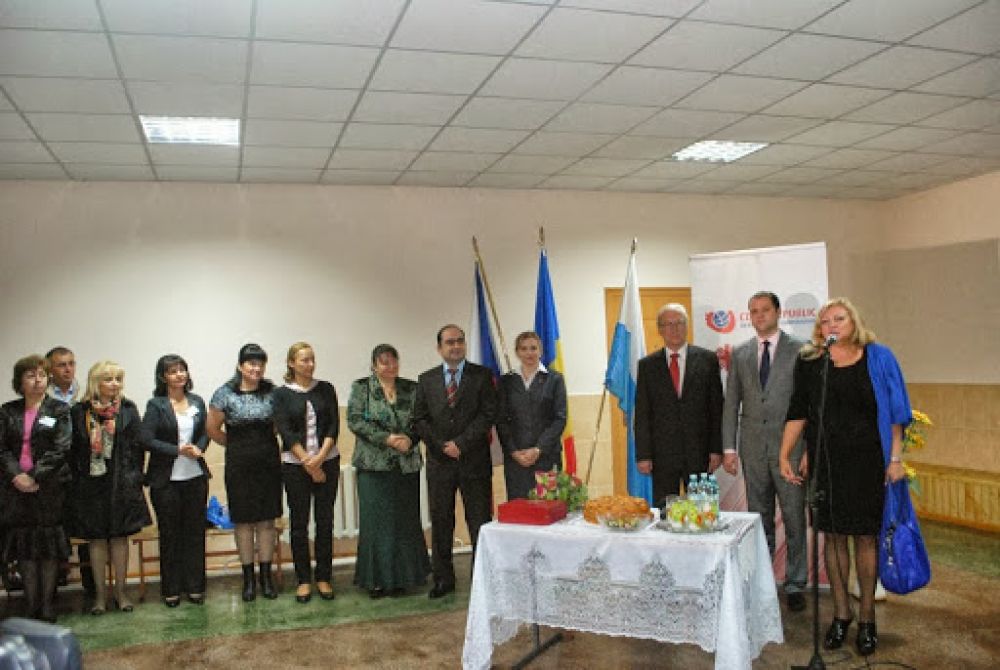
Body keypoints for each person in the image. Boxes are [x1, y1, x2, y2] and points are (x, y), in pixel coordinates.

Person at [779, 298, 911, 656]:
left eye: (839, 318)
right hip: (827, 464)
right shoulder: (812, 363)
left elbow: (897, 413)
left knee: (866, 539)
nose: (832, 325)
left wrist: (895, 459)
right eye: (825, 321)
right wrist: (785, 454)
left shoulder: (878, 357)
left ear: (854, 322)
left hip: (869, 462)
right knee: (834, 539)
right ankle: (841, 614)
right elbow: (799, 411)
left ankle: (867, 617)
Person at [721, 292, 808, 613]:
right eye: (754, 311)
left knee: (794, 516)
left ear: (778, 312)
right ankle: (762, 581)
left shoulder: (801, 350)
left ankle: (796, 583)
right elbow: (732, 403)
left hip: (791, 449)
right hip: (752, 448)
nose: (759, 316)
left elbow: (808, 404)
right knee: (759, 517)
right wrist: (729, 448)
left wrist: (808, 449)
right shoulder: (741, 354)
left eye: (765, 310)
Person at [413, 324, 496, 599]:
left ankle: (481, 579)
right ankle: (443, 579)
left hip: (474, 461)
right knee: (441, 522)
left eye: (460, 341)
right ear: (439, 348)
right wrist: (441, 446)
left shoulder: (482, 376)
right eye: (450, 342)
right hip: (440, 463)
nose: (456, 346)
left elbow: (488, 415)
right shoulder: (426, 380)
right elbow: (419, 419)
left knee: (479, 521)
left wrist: (461, 443)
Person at [69, 360, 152, 614]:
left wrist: (135, 477)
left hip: (122, 484)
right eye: (108, 379)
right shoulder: (79, 411)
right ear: (96, 382)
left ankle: (121, 593)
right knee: (96, 540)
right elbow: (73, 450)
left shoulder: (127, 409)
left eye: (118, 379)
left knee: (119, 537)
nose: (114, 384)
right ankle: (100, 596)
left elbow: (138, 446)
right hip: (91, 485)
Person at [348, 344, 430, 598]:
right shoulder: (362, 388)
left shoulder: (411, 388)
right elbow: (355, 420)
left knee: (404, 523)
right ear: (374, 365)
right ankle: (376, 580)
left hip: (406, 466)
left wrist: (410, 439)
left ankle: (403, 579)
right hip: (373, 468)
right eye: (384, 362)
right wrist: (388, 438)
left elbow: (422, 420)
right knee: (376, 525)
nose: (390, 366)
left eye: (394, 361)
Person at [206, 343, 282, 602]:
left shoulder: (273, 392)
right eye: (251, 363)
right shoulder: (224, 393)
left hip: (268, 464)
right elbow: (212, 429)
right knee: (244, 522)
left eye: (260, 363)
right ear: (240, 365)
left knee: (266, 522)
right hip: (239, 465)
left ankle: (266, 578)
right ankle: (248, 579)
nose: (256, 368)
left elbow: (278, 426)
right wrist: (238, 445)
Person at [0, 355, 72, 622]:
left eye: (42, 375)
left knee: (48, 547)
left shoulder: (59, 410)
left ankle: (48, 605)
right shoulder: (7, 411)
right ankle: (31, 605)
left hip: (48, 487)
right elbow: (2, 449)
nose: (37, 380)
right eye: (31, 376)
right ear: (20, 382)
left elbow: (61, 448)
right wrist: (17, 476)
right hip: (15, 489)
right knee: (25, 547)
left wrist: (33, 476)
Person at [635, 303, 724, 504]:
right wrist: (643, 455)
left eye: (679, 323)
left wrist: (716, 449)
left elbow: (716, 409)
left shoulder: (708, 360)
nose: (674, 328)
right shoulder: (647, 366)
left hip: (700, 453)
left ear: (687, 326)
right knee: (665, 511)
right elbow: (642, 414)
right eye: (668, 324)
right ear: (660, 329)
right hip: (662, 455)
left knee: (703, 510)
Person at [272, 342, 340, 604]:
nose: (310, 364)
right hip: (294, 465)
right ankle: (303, 580)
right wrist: (308, 463)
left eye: (312, 359)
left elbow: (333, 426)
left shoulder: (326, 389)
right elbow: (286, 432)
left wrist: (320, 459)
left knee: (325, 522)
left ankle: (324, 577)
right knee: (299, 524)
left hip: (327, 462)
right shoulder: (281, 394)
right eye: (304, 360)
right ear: (291, 363)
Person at [141, 355, 210, 607]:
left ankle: (195, 586)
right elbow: (146, 439)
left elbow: (205, 433)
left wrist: (199, 448)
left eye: (182, 370)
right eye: (173, 371)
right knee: (170, 535)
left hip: (195, 478)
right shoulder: (156, 405)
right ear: (163, 377)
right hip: (166, 481)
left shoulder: (197, 401)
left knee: (195, 533)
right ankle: (171, 589)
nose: (179, 375)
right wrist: (177, 450)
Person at [45, 346, 93, 599]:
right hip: (52, 475)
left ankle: (91, 585)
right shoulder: (42, 399)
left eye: (71, 363)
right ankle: (53, 585)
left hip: (82, 474)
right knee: (55, 531)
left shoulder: (85, 397)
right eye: (61, 365)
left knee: (86, 528)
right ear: (49, 370)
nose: (68, 369)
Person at [496, 331, 567, 500]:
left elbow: (560, 419)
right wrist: (513, 451)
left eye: (533, 348)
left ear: (540, 351)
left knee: (548, 507)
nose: (529, 353)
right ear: (517, 352)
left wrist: (538, 449)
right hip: (517, 460)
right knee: (520, 509)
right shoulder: (506, 381)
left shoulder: (554, 379)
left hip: (546, 457)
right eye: (524, 349)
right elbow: (500, 420)